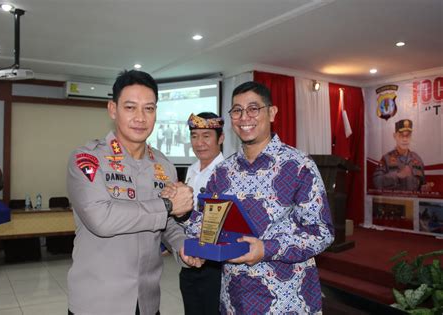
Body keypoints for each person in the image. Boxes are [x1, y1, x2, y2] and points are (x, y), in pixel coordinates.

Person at [186, 81, 335, 314]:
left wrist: (267, 249)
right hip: (234, 299)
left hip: (287, 301)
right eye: (237, 110)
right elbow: (203, 220)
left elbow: (321, 233)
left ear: (272, 112)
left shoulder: (298, 166)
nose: (245, 117)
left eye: (253, 108)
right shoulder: (222, 171)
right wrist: (195, 246)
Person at [66, 70, 202, 315]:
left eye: (149, 109)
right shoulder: (87, 159)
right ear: (113, 109)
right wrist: (169, 205)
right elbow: (101, 219)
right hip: (98, 303)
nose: (140, 117)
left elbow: (166, 224)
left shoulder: (164, 165)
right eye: (130, 107)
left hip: (148, 301)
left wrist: (183, 246)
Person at [180, 112, 225, 315]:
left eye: (206, 136)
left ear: (221, 138)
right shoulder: (191, 170)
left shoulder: (227, 172)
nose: (199, 143)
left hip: (216, 265)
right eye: (194, 136)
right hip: (189, 257)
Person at [373, 119, 430, 192]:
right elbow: (376, 182)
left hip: (413, 202)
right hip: (394, 202)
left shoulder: (417, 159)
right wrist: (397, 175)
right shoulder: (386, 158)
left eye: (408, 136)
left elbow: (422, 184)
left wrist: (424, 188)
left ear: (411, 137)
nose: (405, 139)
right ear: (395, 136)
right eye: (401, 135)